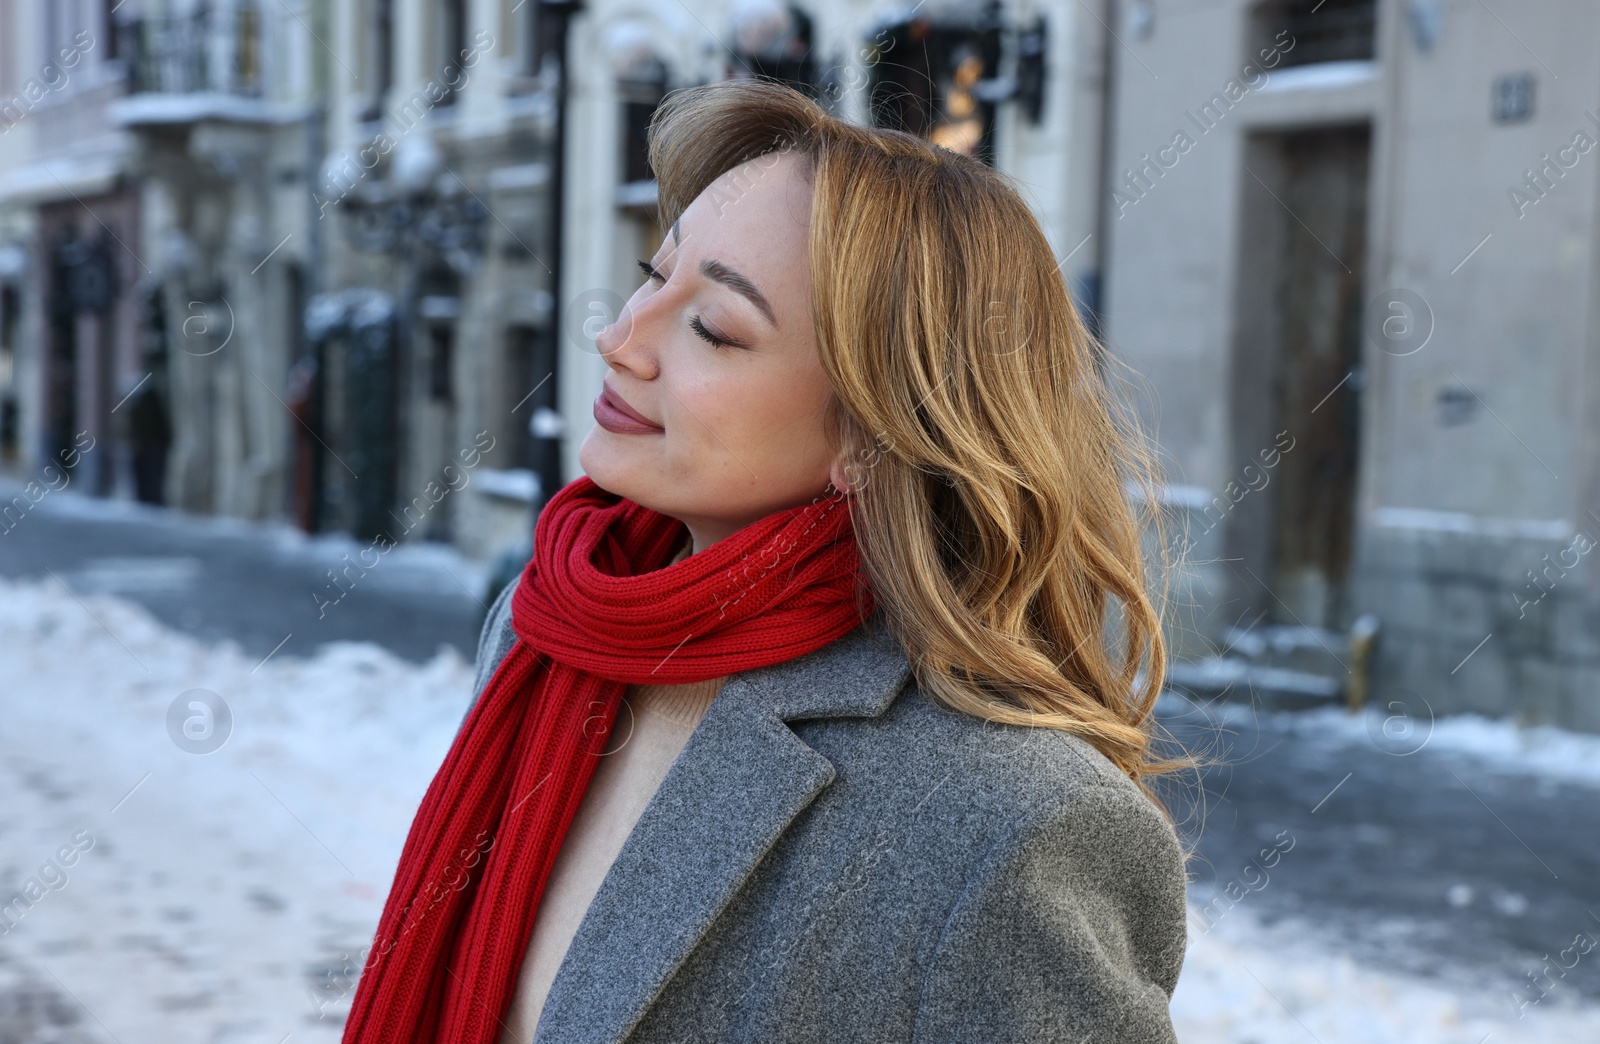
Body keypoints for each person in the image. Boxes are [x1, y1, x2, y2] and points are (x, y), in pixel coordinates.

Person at [343, 79, 1192, 1044]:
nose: (620, 340)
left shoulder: (1014, 827)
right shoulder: (543, 639)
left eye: (715, 328)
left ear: (873, 435)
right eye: (651, 278)